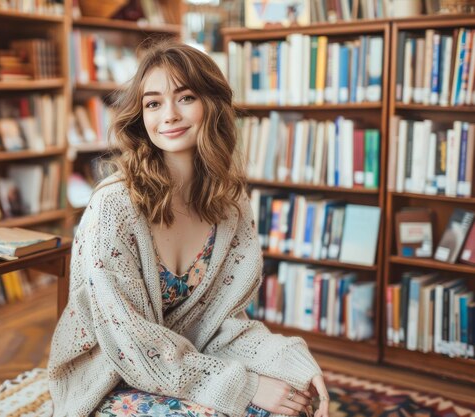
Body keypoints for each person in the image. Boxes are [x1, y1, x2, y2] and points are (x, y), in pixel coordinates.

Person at [47, 40, 330, 417]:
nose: (168, 115)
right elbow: (131, 344)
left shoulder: (231, 205)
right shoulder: (113, 206)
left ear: (211, 104)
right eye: (153, 103)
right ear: (141, 116)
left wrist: (291, 363)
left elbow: (222, 325)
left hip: (186, 364)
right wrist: (245, 385)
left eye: (185, 98)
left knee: (291, 402)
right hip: (110, 376)